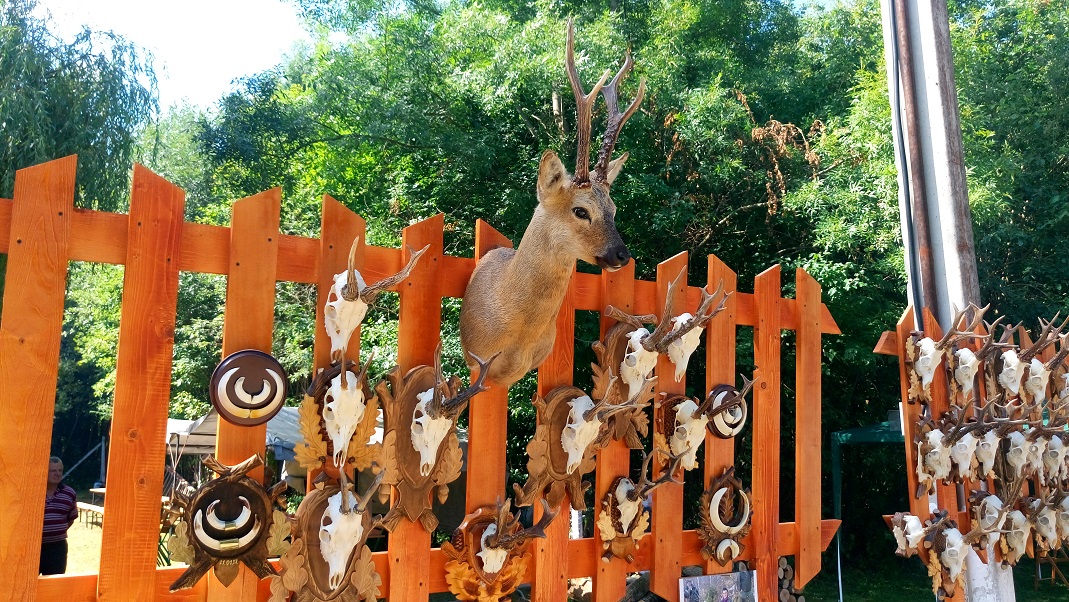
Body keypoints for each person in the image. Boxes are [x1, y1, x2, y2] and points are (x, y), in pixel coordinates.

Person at [41, 456, 77, 575]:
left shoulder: (69, 493)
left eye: (60, 470)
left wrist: (55, 530)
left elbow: (70, 519)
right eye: (53, 471)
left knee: (54, 586)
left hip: (57, 549)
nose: (57, 474)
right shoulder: (32, 492)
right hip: (32, 548)